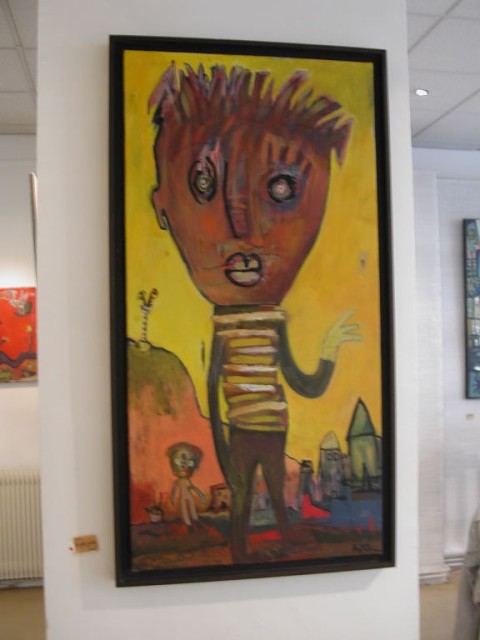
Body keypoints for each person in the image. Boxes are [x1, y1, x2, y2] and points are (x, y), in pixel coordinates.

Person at [149, 63, 360, 562]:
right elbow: (213, 387)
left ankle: (284, 533)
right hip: (244, 430)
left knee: (274, 482)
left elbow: (300, 380)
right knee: (243, 488)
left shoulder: (271, 321)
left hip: (271, 425)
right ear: (162, 209)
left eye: (282, 190)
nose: (241, 225)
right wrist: (221, 444)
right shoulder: (226, 325)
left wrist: (329, 353)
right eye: (204, 184)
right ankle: (240, 545)